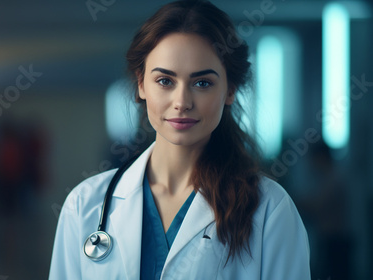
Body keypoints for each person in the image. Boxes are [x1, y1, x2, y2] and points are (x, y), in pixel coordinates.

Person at [49, 1, 310, 279]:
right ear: (141, 84)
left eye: (202, 83)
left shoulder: (269, 209)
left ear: (230, 90)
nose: (182, 102)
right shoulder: (85, 204)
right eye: (165, 81)